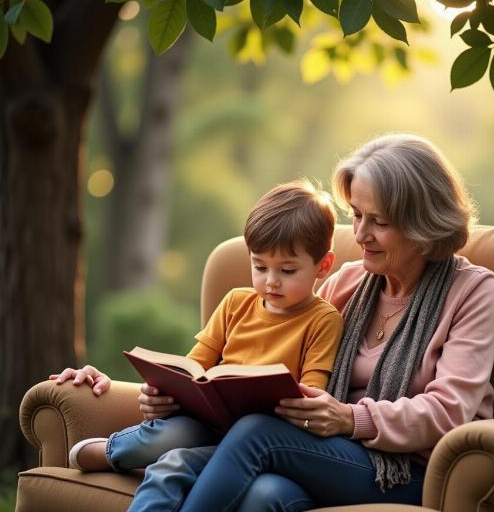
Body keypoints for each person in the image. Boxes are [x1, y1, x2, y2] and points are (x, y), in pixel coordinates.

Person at [38, 133, 494, 512]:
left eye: (378, 222)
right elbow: (259, 355)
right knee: (260, 495)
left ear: (423, 222)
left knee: (258, 430)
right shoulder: (349, 283)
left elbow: (452, 412)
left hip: (405, 471)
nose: (359, 234)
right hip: (324, 454)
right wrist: (150, 387)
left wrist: (348, 418)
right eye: (356, 215)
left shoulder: (472, 290)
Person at [53, 180, 343, 474]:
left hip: (261, 436)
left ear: (323, 266)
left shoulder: (323, 320)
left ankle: (125, 456)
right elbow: (194, 368)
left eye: (287, 270)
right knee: (172, 435)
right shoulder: (235, 302)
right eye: (259, 266)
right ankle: (112, 450)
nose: (271, 281)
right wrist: (163, 391)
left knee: (176, 460)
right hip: (206, 423)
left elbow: (311, 393)